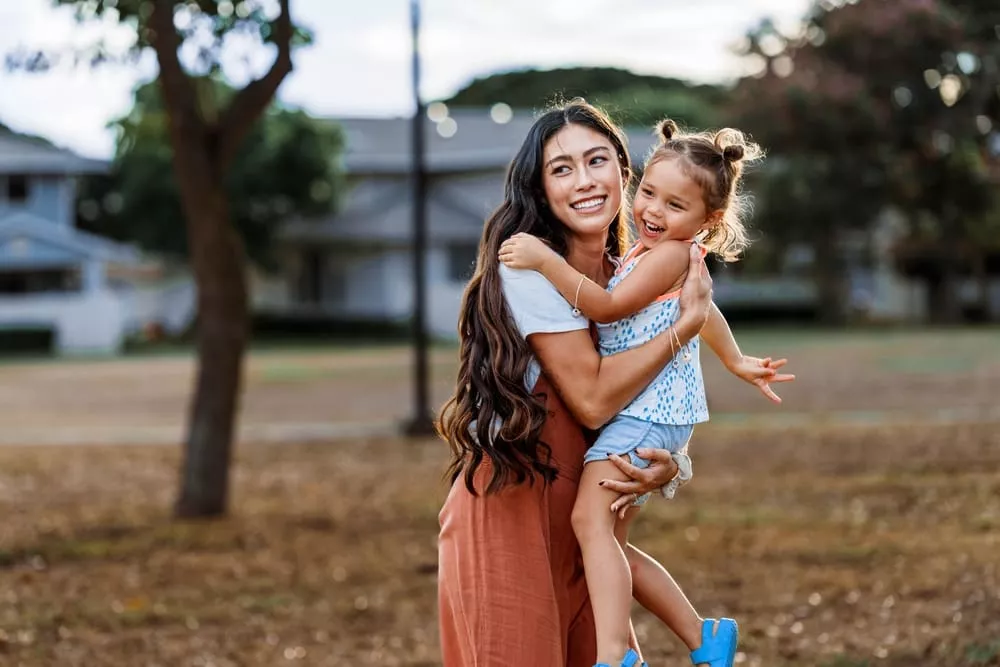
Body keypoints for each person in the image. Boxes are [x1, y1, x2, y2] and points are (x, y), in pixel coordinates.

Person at [436, 100, 786, 667]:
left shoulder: (630, 267)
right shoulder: (529, 267)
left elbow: (685, 327)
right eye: (561, 168)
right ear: (540, 187)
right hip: (511, 503)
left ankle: (682, 642)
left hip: (584, 517)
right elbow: (597, 399)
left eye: (597, 160)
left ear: (623, 171)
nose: (583, 180)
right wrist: (684, 330)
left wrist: (669, 465)